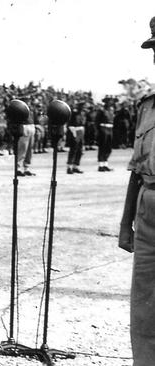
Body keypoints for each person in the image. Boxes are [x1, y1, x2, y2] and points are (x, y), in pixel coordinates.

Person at [119, 17, 155, 366]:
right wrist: (125, 222)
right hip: (148, 212)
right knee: (144, 306)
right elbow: (136, 169)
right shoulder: (147, 106)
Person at [14, 99, 36, 176]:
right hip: (25, 126)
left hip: (31, 126)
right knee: (22, 148)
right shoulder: (21, 109)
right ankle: (18, 168)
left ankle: (27, 167)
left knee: (30, 149)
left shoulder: (31, 109)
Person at [96, 103, 114, 171]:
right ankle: (101, 165)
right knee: (102, 147)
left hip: (110, 129)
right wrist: (98, 131)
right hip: (103, 129)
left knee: (108, 148)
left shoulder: (111, 111)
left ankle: (105, 164)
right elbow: (97, 122)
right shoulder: (101, 112)